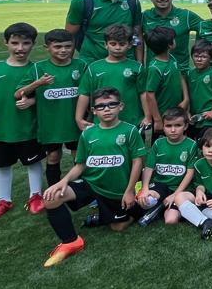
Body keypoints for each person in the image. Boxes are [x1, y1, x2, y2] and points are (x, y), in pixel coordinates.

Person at [41, 87, 146, 266]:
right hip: (92, 184)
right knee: (51, 198)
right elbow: (81, 165)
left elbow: (138, 162)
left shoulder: (130, 131)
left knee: (118, 227)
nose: (107, 109)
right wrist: (63, 181)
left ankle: (129, 211)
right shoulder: (88, 134)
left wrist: (129, 191)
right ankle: (71, 242)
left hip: (117, 190)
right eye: (101, 106)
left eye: (112, 104)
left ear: (120, 106)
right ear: (94, 110)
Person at [0, 22, 46, 220]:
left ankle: (35, 196)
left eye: (26, 43)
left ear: (33, 44)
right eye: (15, 43)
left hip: (28, 128)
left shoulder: (37, 70)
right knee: (2, 165)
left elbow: (44, 97)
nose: (20, 48)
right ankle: (4, 201)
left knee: (33, 162)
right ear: (5, 43)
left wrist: (31, 101)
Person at [15, 28, 86, 188]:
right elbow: (18, 93)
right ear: (47, 47)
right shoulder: (38, 68)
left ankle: (81, 190)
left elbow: (88, 91)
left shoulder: (81, 65)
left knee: (79, 157)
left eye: (68, 46)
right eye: (58, 47)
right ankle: (53, 191)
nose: (63, 50)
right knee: (53, 156)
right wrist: (38, 83)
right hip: (50, 124)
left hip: (75, 122)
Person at [76, 24, 149, 131]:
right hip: (101, 122)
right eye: (113, 44)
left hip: (131, 121)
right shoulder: (94, 68)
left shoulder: (137, 67)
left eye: (122, 44)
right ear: (105, 44)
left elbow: (143, 93)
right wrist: (79, 118)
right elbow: (84, 93)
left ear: (129, 45)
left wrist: (147, 116)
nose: (117, 48)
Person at [136, 107, 198, 226]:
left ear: (185, 126)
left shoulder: (191, 145)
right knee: (145, 200)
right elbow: (148, 168)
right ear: (163, 127)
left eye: (178, 125)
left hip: (180, 189)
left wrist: (175, 195)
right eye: (168, 126)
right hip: (161, 185)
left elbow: (190, 172)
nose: (173, 130)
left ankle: (167, 207)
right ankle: (159, 204)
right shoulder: (158, 143)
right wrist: (145, 189)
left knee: (171, 220)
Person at [141, 0, 201, 67]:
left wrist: (199, 48)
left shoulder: (186, 16)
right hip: (154, 70)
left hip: (180, 70)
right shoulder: (144, 16)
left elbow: (207, 28)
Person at [143, 26, 188, 137]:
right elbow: (150, 94)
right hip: (163, 115)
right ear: (169, 45)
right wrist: (157, 120)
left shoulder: (172, 58)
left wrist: (186, 99)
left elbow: (180, 76)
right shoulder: (155, 68)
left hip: (178, 110)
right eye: (173, 39)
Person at [183, 39, 212, 141]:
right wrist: (187, 111)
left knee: (208, 142)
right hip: (193, 117)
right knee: (192, 143)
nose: (199, 59)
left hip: (208, 117)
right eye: (196, 56)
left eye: (204, 57)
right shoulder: (189, 73)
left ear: (211, 59)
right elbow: (186, 94)